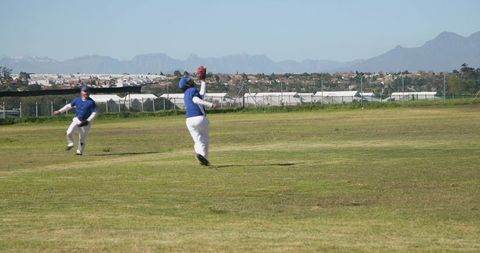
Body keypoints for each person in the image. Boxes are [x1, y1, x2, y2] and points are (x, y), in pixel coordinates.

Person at [178, 66, 217, 166]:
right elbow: (196, 100)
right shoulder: (192, 90)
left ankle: (200, 155)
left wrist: (203, 81)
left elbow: (202, 94)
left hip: (189, 121)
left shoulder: (186, 93)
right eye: (189, 81)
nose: (191, 82)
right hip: (199, 118)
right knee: (204, 140)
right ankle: (203, 157)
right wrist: (210, 104)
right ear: (188, 84)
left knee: (197, 140)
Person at [53, 86, 97, 155]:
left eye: (88, 92)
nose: (87, 93)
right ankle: (71, 143)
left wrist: (87, 121)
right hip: (77, 119)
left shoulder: (91, 102)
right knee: (69, 132)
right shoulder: (77, 100)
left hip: (85, 123)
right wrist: (59, 111)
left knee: (82, 138)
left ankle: (79, 152)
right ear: (81, 92)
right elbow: (68, 106)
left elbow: (94, 113)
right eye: (85, 91)